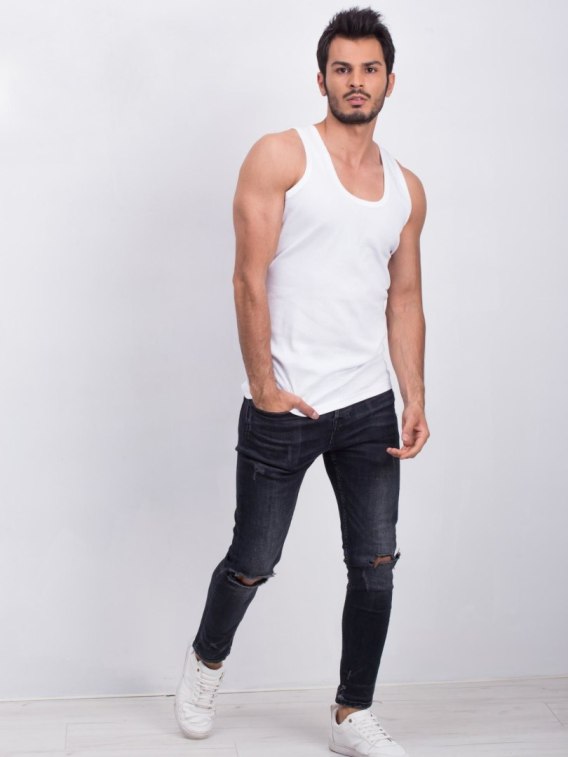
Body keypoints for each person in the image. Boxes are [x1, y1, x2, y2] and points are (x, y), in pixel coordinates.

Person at [174, 6, 429, 756]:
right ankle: (205, 662)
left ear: (389, 81)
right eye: (342, 68)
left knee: (375, 567)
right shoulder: (281, 157)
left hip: (368, 405)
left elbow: (405, 297)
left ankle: (352, 712)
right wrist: (264, 386)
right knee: (253, 561)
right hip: (286, 403)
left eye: (370, 69)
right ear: (322, 78)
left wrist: (415, 394)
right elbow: (247, 278)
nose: (356, 81)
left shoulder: (407, 189)